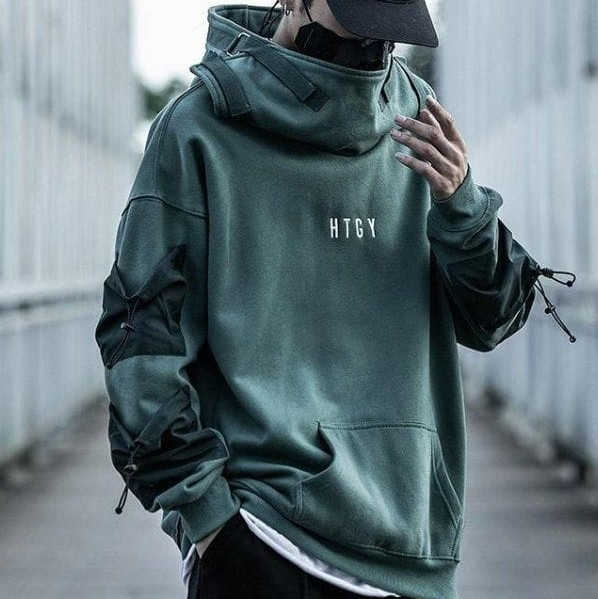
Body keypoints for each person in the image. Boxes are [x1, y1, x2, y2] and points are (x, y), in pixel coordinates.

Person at [94, 2, 576, 599]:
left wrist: (463, 206)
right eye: (357, 13)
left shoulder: (417, 117)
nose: (374, 39)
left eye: (390, 24)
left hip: (409, 549)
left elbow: (491, 319)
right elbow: (143, 336)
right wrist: (211, 520)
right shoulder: (198, 128)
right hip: (262, 538)